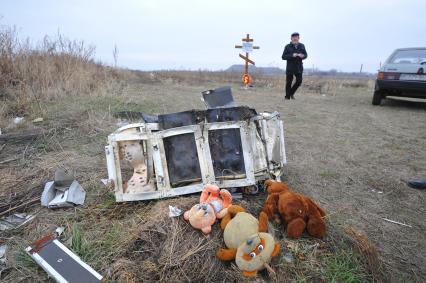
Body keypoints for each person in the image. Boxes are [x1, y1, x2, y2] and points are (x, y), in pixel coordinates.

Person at [282, 32, 308, 100]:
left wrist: (303, 56)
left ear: (298, 38)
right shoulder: (287, 46)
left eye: (296, 37)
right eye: (293, 37)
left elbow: (305, 55)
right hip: (290, 67)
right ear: (291, 38)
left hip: (298, 67)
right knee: (289, 83)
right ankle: (287, 97)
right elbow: (283, 57)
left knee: (299, 81)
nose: (295, 38)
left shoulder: (302, 45)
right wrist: (292, 55)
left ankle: (291, 93)